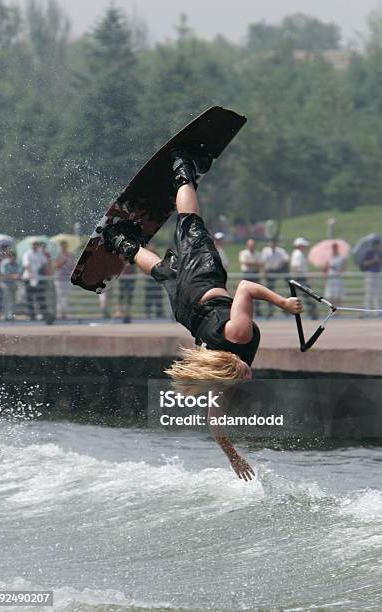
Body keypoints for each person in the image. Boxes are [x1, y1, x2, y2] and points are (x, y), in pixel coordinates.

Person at [101, 150, 303, 478]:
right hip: (184, 308)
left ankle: (183, 171)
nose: (247, 374)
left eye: (241, 372)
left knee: (191, 226)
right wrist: (232, 456)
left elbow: (247, 288)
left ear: (231, 361)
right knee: (164, 271)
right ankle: (119, 241)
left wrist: (283, 303)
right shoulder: (219, 375)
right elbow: (214, 422)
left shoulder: (238, 335)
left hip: (203, 283)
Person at [261, 239, 290, 318]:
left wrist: (280, 263)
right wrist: (264, 271)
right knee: (269, 291)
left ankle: (286, 309)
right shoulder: (265, 251)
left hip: (279, 270)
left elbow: (287, 259)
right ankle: (270, 311)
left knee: (285, 268)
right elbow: (263, 262)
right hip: (270, 271)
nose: (272, 244)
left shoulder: (280, 251)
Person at [290, 237, 317, 320]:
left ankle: (312, 313)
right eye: (303, 245)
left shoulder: (299, 253)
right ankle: (312, 313)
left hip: (300, 277)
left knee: (302, 295)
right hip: (300, 277)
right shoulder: (298, 254)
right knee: (308, 295)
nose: (305, 247)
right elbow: (295, 267)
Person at [22, 239, 49, 321]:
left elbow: (44, 263)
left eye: (35, 244)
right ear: (31, 245)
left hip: (39, 278)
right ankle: (31, 315)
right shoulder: (27, 253)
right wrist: (31, 274)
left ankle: (43, 314)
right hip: (28, 278)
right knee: (29, 298)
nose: (34, 246)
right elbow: (26, 265)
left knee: (40, 297)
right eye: (33, 244)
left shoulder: (40, 253)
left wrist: (42, 272)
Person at [239, 239, 263, 316]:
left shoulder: (257, 253)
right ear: (247, 245)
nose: (251, 246)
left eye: (252, 245)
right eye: (250, 245)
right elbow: (245, 263)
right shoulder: (243, 253)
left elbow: (260, 264)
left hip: (255, 274)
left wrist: (252, 264)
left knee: (258, 293)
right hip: (247, 274)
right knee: (245, 294)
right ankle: (245, 312)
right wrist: (256, 263)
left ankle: (258, 312)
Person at [361, 239, 382, 313]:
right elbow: (364, 263)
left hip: (377, 274)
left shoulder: (380, 253)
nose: (378, 247)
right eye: (376, 245)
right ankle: (367, 311)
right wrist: (373, 260)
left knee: (377, 293)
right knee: (368, 293)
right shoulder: (369, 253)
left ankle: (377, 311)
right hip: (369, 274)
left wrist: (380, 261)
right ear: (374, 246)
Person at [53, 240, 75, 319]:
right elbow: (55, 265)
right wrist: (63, 260)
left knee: (66, 296)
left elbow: (73, 265)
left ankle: (65, 313)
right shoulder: (58, 255)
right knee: (60, 296)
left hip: (67, 278)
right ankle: (60, 313)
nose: (64, 247)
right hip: (59, 278)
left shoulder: (70, 255)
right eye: (62, 246)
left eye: (65, 245)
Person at [0, 251, 22, 320]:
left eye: (13, 256)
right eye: (11, 256)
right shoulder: (4, 263)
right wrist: (13, 276)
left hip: (13, 283)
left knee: (13, 299)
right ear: (9, 257)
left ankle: (11, 315)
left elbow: (18, 274)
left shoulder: (17, 263)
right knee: (6, 299)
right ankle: (5, 315)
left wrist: (12, 276)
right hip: (5, 283)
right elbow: (4, 274)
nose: (12, 258)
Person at [323, 242, 345, 307]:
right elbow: (324, 269)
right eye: (333, 248)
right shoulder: (328, 257)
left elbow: (343, 269)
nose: (334, 249)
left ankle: (338, 311)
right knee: (330, 296)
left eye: (335, 248)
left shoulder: (341, 257)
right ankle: (331, 309)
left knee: (338, 296)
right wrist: (328, 266)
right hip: (330, 279)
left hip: (337, 278)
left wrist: (338, 269)